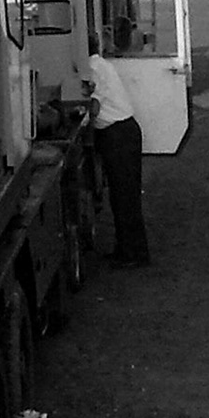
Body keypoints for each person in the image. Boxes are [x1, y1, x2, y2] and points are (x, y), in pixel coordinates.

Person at [86, 31, 151, 268]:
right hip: (124, 132)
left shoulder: (93, 68)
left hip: (117, 135)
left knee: (124, 197)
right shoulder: (101, 64)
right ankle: (128, 249)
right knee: (124, 197)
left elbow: (93, 107)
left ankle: (134, 254)